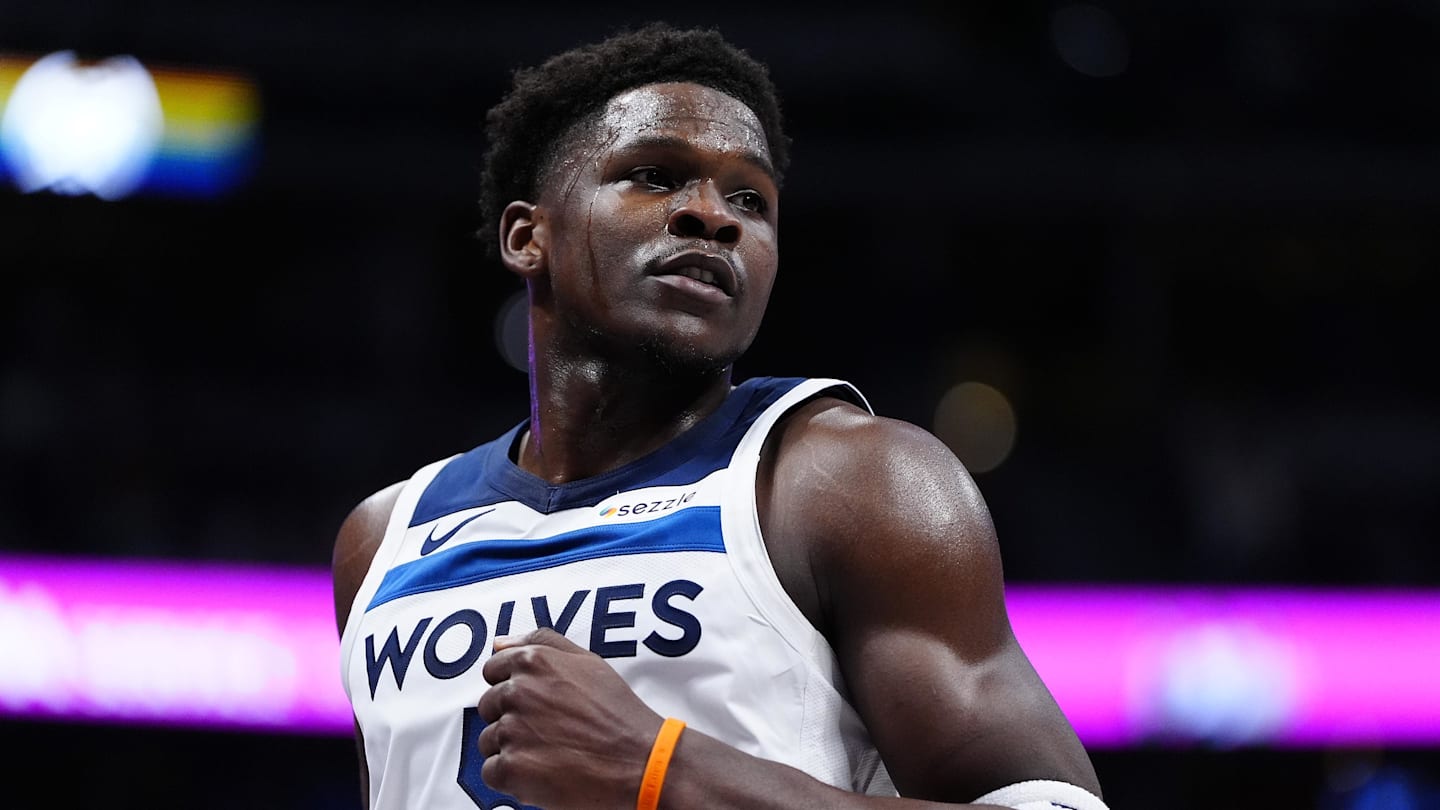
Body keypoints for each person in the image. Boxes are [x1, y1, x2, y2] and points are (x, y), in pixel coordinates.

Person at [331, 21, 1106, 810]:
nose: (714, 215)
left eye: (750, 199)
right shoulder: (383, 540)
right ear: (529, 237)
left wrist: (660, 766)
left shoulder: (850, 483)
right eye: (654, 176)